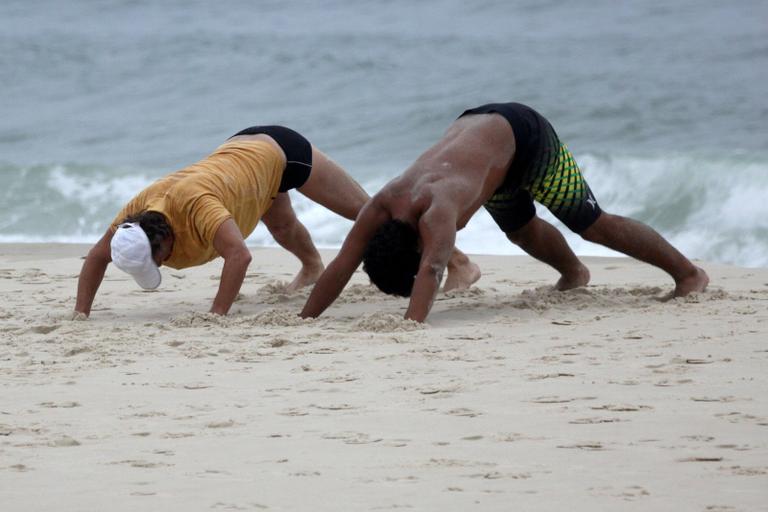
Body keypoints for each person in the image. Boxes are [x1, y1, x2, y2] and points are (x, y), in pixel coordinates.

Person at [301, 102, 709, 323]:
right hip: (484, 146)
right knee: (521, 231)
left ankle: (689, 274)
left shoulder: (435, 212)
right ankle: (574, 274)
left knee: (591, 225)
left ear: (416, 243)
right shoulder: (383, 203)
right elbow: (344, 261)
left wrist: (410, 326)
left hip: (524, 136)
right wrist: (305, 321)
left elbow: (431, 270)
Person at [73, 125, 478, 318]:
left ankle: (459, 262)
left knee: (370, 213)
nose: (157, 266)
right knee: (281, 226)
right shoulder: (135, 212)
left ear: (161, 239)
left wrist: (217, 315)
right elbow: (96, 256)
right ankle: (311, 266)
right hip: (244, 163)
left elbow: (239, 257)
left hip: (283, 151)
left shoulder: (196, 206)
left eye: (155, 260)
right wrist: (81, 314)